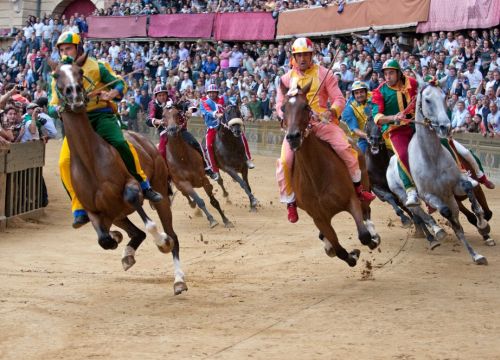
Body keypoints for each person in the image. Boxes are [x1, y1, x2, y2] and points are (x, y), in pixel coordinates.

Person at [48, 31, 163, 228]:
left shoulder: (96, 66)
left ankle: (144, 183)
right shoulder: (58, 74)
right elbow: (52, 104)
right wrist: (57, 109)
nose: (65, 52)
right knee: (64, 162)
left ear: (78, 48)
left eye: (68, 48)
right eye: (62, 50)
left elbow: (120, 82)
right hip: (78, 125)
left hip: (101, 116)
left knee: (120, 142)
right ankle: (78, 206)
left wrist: (113, 92)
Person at [276, 37, 375, 223]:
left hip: (322, 123)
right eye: (299, 55)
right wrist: (285, 118)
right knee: (284, 161)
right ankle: (290, 201)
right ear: (294, 57)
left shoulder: (325, 73)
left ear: (312, 55)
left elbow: (339, 98)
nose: (303, 58)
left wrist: (332, 111)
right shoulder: (286, 79)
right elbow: (279, 104)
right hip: (297, 126)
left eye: (306, 54)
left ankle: (358, 189)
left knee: (346, 148)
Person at [372, 59, 420, 206]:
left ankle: (463, 172)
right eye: (385, 74)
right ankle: (410, 190)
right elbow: (377, 117)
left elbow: (424, 91)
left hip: (416, 124)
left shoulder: (411, 82)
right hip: (396, 130)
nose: (388, 77)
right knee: (403, 155)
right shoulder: (379, 92)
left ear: (399, 73)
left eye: (391, 73)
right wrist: (393, 117)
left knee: (442, 140)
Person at [146, 85, 214, 177]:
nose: (162, 97)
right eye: (160, 95)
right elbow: (149, 119)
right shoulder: (153, 104)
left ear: (167, 94)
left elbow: (186, 103)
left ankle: (206, 167)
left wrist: (189, 110)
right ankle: (165, 173)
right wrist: (158, 121)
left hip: (179, 127)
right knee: (162, 150)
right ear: (156, 96)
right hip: (165, 130)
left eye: (164, 95)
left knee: (195, 143)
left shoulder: (173, 100)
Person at [200, 84, 255, 181]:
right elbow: (207, 111)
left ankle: (248, 159)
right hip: (212, 127)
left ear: (217, 93)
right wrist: (216, 114)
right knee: (208, 146)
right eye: (210, 93)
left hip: (225, 124)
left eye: (214, 92)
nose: (212, 94)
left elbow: (229, 106)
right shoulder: (204, 101)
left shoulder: (221, 99)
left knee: (241, 136)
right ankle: (214, 170)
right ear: (208, 93)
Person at [342, 81, 373, 153]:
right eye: (356, 93)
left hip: (382, 132)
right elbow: (355, 129)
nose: (359, 95)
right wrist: (367, 136)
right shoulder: (348, 109)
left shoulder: (374, 96)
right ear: (353, 94)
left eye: (361, 92)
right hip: (364, 138)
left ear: (366, 92)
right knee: (360, 156)